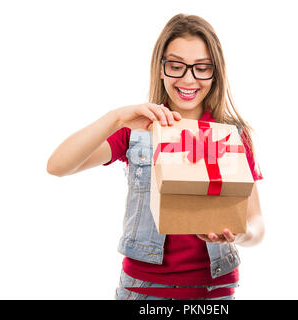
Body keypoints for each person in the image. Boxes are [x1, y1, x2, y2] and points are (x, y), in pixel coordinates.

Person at [47, 13, 265, 300]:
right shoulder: (137, 130)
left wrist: (239, 234)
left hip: (216, 291)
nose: (189, 79)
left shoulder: (231, 136)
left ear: (215, 72)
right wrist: (117, 118)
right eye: (176, 66)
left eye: (201, 68)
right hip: (144, 290)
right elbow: (58, 166)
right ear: (161, 69)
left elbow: (257, 223)